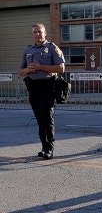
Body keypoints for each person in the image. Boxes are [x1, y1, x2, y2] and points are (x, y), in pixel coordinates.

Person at [18, 23, 66, 160]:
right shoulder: (28, 50)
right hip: (33, 87)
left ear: (45, 33)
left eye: (39, 32)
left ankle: (49, 148)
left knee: (47, 116)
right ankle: (44, 146)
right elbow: (20, 72)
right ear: (32, 34)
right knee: (40, 119)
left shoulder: (52, 48)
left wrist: (41, 67)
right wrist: (28, 70)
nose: (37, 34)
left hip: (48, 86)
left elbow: (61, 68)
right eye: (34, 32)